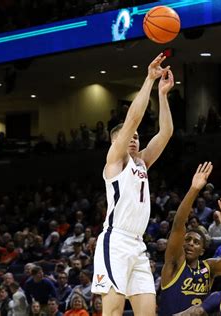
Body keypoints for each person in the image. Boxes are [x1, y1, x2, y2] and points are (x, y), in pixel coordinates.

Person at [91, 53, 175, 316]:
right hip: (115, 241)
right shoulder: (115, 161)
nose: (134, 138)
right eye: (129, 136)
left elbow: (166, 133)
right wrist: (149, 79)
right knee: (113, 312)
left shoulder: (142, 163)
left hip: (138, 244)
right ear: (116, 141)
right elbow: (134, 119)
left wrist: (162, 95)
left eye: (137, 137)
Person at [159, 162, 221, 315]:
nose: (190, 243)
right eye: (187, 240)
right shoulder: (173, 263)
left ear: (202, 251)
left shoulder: (208, 267)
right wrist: (194, 189)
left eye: (196, 242)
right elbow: (179, 224)